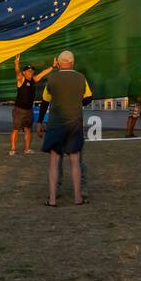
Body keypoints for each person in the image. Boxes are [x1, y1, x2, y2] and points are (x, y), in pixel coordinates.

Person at [41, 51, 88, 207]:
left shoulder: (52, 78)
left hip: (56, 123)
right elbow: (88, 98)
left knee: (54, 161)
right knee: (75, 160)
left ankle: (52, 199)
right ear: (73, 62)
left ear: (58, 63)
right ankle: (77, 198)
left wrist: (40, 122)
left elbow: (45, 100)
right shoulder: (81, 78)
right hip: (75, 121)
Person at [10, 54, 51, 155]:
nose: (31, 72)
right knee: (16, 129)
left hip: (29, 110)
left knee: (28, 129)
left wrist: (53, 67)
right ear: (24, 73)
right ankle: (13, 149)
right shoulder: (21, 79)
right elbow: (17, 71)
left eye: (32, 71)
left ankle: (27, 149)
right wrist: (16, 63)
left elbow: (42, 74)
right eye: (29, 71)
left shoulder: (34, 80)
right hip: (19, 110)